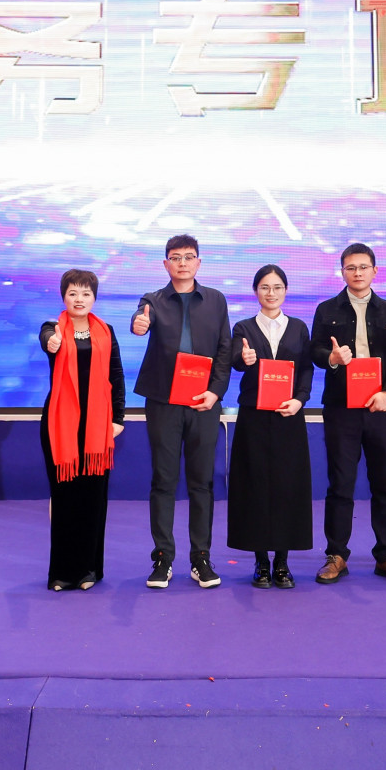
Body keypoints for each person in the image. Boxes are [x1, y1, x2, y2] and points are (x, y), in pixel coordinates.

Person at [308, 243, 386, 586]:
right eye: (350, 267)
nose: (357, 273)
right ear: (342, 272)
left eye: (363, 267)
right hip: (341, 409)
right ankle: (336, 555)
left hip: (380, 408)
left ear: (375, 271)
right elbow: (314, 350)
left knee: (385, 483)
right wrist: (331, 358)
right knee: (340, 484)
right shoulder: (327, 309)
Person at [130, 234, 233, 589]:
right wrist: (139, 324)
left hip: (204, 402)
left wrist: (215, 392)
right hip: (164, 402)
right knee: (163, 480)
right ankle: (163, 558)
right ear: (166, 264)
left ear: (199, 262)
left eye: (189, 257)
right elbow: (139, 320)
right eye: (176, 257)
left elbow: (225, 349)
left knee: (201, 482)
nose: (183, 263)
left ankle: (200, 558)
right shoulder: (152, 300)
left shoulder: (216, 300)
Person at [38, 268, 126, 592]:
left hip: (98, 425)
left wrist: (118, 418)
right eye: (73, 293)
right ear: (64, 296)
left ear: (94, 298)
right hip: (60, 425)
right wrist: (52, 342)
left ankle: (89, 569)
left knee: (92, 499)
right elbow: (46, 340)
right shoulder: (53, 328)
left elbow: (116, 375)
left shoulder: (106, 331)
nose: (79, 299)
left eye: (85, 293)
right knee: (65, 499)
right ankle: (62, 573)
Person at [227, 264, 314, 589]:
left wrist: (300, 400)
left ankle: (283, 563)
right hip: (254, 418)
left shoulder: (299, 328)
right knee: (255, 487)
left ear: (285, 291)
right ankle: (261, 562)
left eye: (277, 287)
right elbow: (236, 360)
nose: (271, 293)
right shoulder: (243, 327)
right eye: (265, 287)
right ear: (256, 292)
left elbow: (306, 369)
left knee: (287, 488)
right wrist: (244, 360)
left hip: (289, 417)